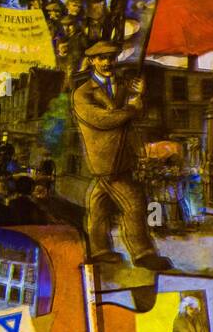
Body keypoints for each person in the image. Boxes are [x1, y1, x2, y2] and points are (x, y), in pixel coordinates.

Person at [72, 40, 171, 270]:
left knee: (98, 204)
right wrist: (132, 108)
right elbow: (103, 120)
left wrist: (138, 95)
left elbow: (136, 114)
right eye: (102, 58)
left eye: (111, 57)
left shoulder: (122, 86)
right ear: (92, 61)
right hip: (106, 160)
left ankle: (99, 251)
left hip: (121, 157)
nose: (107, 62)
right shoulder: (83, 93)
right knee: (135, 201)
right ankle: (143, 254)